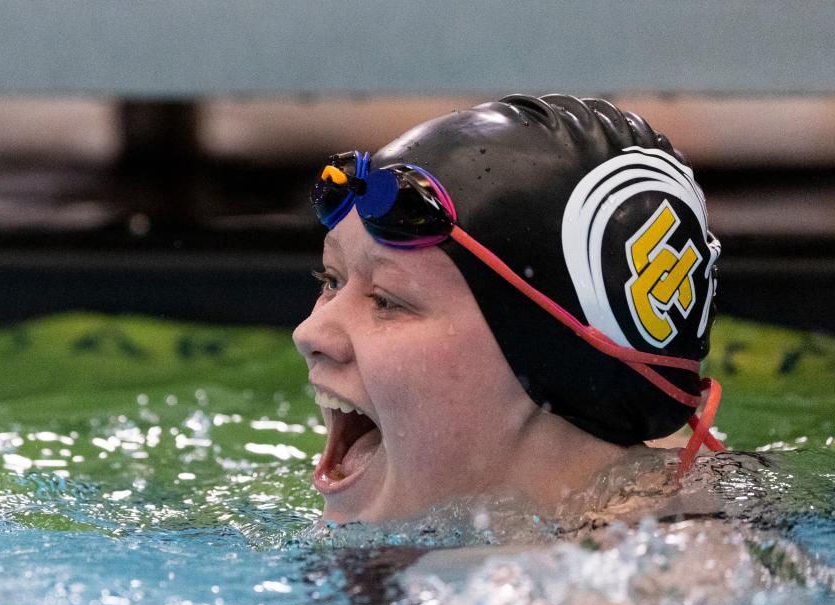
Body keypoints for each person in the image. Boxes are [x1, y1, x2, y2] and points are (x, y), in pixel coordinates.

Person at [292, 94, 724, 525]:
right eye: (332, 281)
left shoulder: (658, 582)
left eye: (387, 301)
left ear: (553, 362)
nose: (309, 333)